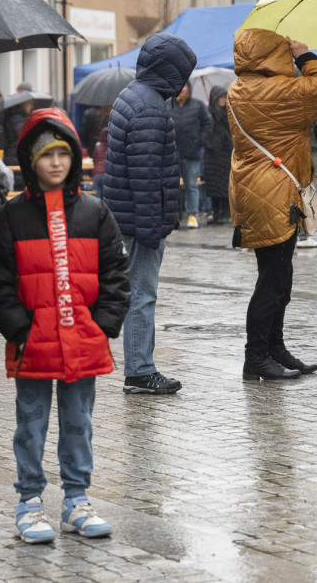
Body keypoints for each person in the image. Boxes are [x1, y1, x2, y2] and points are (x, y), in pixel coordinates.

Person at [0, 107, 130, 545]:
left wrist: (101, 326)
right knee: (30, 423)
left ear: (74, 158)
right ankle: (30, 501)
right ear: (31, 159)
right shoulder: (11, 217)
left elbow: (116, 276)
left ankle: (76, 499)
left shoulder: (95, 212)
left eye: (63, 154)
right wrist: (20, 330)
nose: (55, 163)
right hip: (34, 344)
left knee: (78, 423)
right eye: (46, 154)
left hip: (82, 341)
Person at [228, 29, 317, 379]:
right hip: (274, 192)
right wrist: (305, 56)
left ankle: (274, 349)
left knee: (278, 276)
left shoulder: (239, 89)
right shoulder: (279, 91)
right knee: (273, 281)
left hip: (258, 189)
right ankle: (256, 357)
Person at [104, 32, 195, 394]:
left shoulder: (133, 94)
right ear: (170, 71)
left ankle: (140, 366)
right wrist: (151, 230)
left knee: (136, 290)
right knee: (142, 292)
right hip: (141, 218)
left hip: (126, 214)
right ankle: (140, 370)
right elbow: (144, 176)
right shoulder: (151, 107)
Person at [168, 81, 211, 228]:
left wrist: (201, 141)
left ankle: (192, 215)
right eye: (179, 86)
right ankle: (171, 216)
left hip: (191, 154)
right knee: (170, 186)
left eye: (185, 86)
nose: (182, 89)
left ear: (189, 88)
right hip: (171, 153)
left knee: (191, 185)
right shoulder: (168, 104)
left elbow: (208, 124)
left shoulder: (198, 105)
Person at [204, 85, 233, 225]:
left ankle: (225, 212)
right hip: (212, 154)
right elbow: (204, 129)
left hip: (226, 152)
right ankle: (216, 212)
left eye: (224, 96)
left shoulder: (229, 113)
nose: (223, 99)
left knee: (225, 184)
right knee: (214, 185)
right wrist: (208, 143)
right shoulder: (208, 113)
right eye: (221, 97)